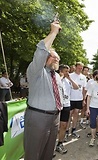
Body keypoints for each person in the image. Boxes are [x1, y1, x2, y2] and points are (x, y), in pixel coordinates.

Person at [24, 21, 63, 160]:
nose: (57, 59)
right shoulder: (36, 72)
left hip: (54, 118)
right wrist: (53, 33)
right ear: (45, 58)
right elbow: (40, 51)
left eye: (58, 58)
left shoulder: (57, 76)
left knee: (47, 154)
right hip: (38, 118)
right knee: (33, 154)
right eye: (53, 56)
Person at [55, 64, 79, 154]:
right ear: (60, 71)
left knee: (64, 125)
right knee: (54, 127)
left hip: (66, 105)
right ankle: (50, 146)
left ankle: (60, 143)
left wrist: (69, 79)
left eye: (68, 71)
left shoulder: (68, 80)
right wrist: (61, 76)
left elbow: (76, 87)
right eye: (66, 71)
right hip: (57, 105)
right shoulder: (56, 78)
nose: (68, 73)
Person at [67, 62, 87, 138]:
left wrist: (83, 99)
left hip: (79, 98)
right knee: (69, 114)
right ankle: (66, 131)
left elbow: (84, 89)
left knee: (76, 114)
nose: (80, 69)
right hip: (70, 98)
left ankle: (73, 129)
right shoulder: (70, 76)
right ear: (75, 67)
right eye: (79, 68)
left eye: (81, 68)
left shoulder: (83, 77)